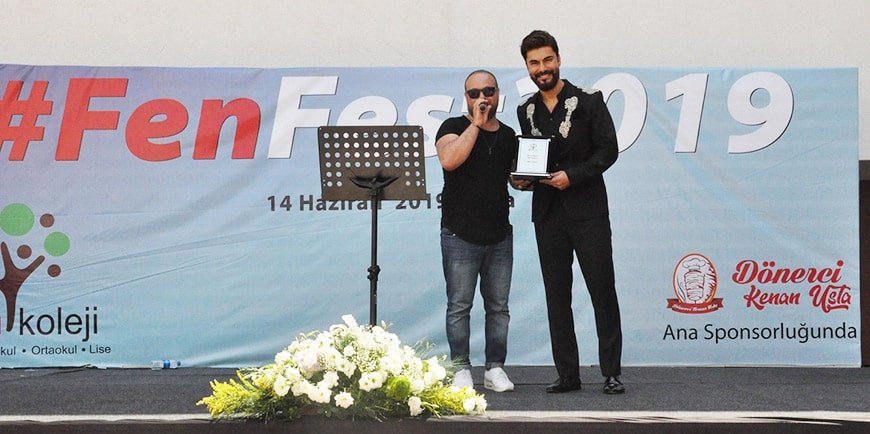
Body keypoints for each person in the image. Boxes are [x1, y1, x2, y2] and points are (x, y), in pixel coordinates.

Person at [513, 30, 625, 394]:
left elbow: (608, 150)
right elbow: (534, 160)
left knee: (602, 290)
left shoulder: (589, 100)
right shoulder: (525, 109)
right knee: (556, 295)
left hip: (588, 211)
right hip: (547, 214)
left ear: (558, 59)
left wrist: (573, 176)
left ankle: (611, 372)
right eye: (534, 63)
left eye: (547, 60)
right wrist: (523, 180)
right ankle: (568, 374)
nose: (542, 68)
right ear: (527, 67)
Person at [435, 70, 518, 392]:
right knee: (459, 306)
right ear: (466, 98)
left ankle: (495, 368)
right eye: (474, 93)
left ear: (498, 94)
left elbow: (513, 178)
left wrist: (526, 180)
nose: (482, 98)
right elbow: (450, 159)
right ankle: (461, 369)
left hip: (499, 235)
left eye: (488, 91)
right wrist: (476, 125)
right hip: (460, 235)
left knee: (498, 308)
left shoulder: (508, 135)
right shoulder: (452, 127)